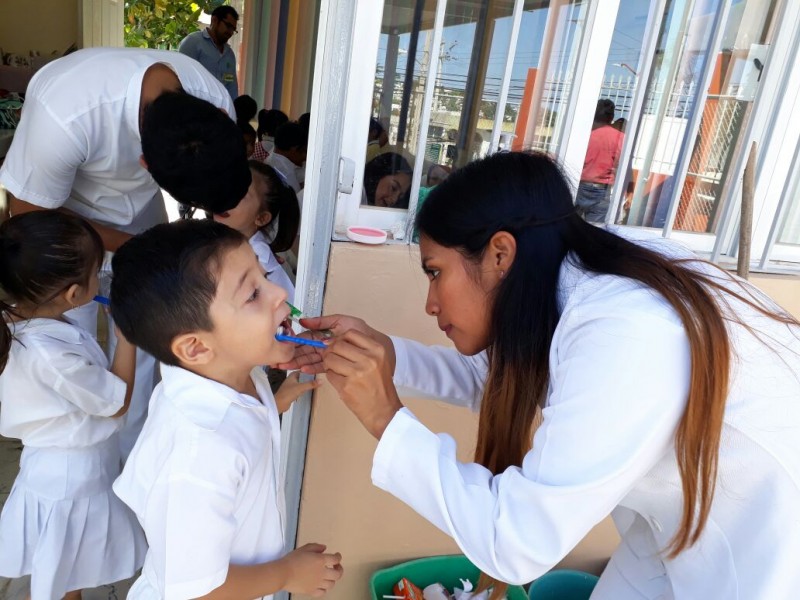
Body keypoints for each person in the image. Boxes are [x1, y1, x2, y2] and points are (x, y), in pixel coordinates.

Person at [284, 152, 800, 599]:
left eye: (435, 272)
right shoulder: (577, 271)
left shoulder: (623, 328)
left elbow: (520, 543)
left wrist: (384, 416)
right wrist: (384, 355)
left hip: (762, 540)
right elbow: (493, 380)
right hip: (675, 520)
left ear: (500, 254)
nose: (430, 302)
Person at [0, 47, 250, 458]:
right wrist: (133, 245)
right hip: (64, 231)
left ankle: (131, 462)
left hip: (142, 223)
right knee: (70, 346)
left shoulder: (211, 102)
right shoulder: (64, 114)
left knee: (145, 341)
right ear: (143, 163)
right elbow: (29, 218)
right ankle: (87, 455)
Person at [110, 219, 340, 599]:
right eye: (252, 294)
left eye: (264, 276)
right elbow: (198, 590)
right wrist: (288, 574)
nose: (279, 293)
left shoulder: (228, 371)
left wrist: (274, 405)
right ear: (196, 348)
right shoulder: (200, 452)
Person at [0, 212, 146, 600]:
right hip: (70, 476)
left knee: (65, 565)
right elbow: (116, 403)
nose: (101, 280)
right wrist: (127, 337)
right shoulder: (51, 357)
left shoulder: (27, 321)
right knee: (61, 569)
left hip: (59, 468)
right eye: (98, 272)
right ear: (72, 294)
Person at [215, 160, 300, 302]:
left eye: (240, 194)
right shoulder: (214, 241)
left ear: (261, 218)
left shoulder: (260, 264)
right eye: (225, 187)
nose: (226, 197)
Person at [575, 99, 625, 223]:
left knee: (570, 228)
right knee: (594, 230)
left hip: (578, 185)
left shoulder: (584, 133)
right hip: (602, 189)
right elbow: (620, 163)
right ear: (611, 116)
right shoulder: (619, 137)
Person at [178, 5, 240, 100]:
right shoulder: (193, 43)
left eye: (233, 29)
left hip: (220, 111)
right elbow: (182, 79)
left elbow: (231, 88)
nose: (230, 32)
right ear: (214, 20)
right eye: (228, 26)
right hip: (194, 107)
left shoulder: (229, 55)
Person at [266, 121, 307, 194]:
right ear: (294, 149)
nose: (305, 157)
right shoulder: (286, 173)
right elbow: (296, 200)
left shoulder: (273, 155)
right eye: (304, 151)